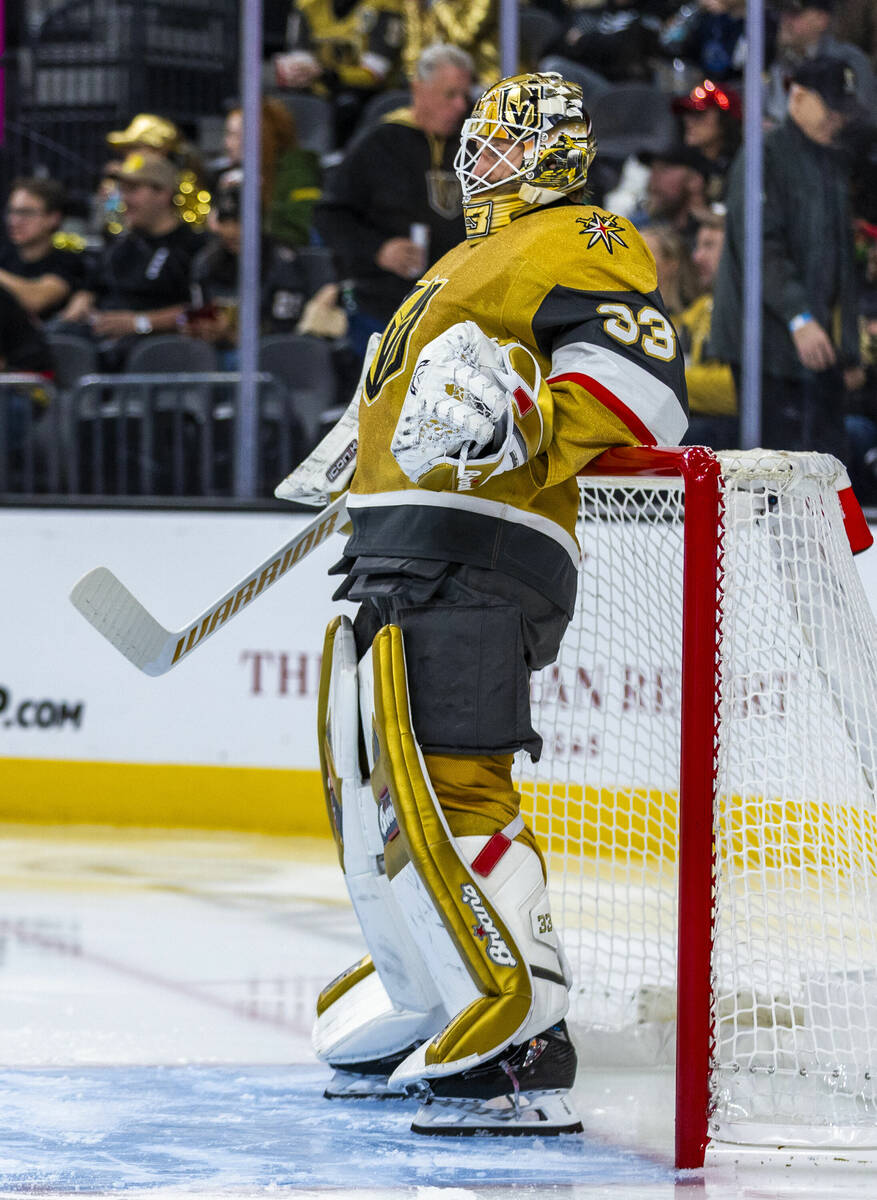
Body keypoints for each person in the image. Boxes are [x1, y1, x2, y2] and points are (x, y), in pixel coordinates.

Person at [308, 71, 688, 1136]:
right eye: (477, 141)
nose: (481, 159)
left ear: (560, 153)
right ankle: (437, 990)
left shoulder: (584, 236)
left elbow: (642, 375)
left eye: (506, 145)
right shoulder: (460, 259)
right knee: (376, 790)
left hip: (481, 549)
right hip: (393, 545)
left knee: (450, 780)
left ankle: (523, 1029)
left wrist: (525, 432)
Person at [711, 56, 865, 458]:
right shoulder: (764, 158)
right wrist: (799, 316)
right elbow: (760, 248)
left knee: (825, 462)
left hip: (813, 342)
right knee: (776, 465)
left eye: (842, 110)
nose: (837, 119)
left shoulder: (831, 161)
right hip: (767, 342)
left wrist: (848, 345)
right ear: (797, 97)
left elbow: (841, 261)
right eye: (830, 107)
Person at [314, 43, 472, 359]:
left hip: (457, 307)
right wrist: (378, 249)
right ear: (418, 89)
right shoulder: (379, 143)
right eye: (449, 94)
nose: (459, 105)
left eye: (464, 96)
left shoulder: (474, 143)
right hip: (385, 306)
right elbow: (330, 215)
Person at [58, 152, 207, 368]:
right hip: (101, 341)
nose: (125, 199)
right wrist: (80, 304)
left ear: (163, 194)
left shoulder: (193, 246)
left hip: (159, 353)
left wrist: (140, 323)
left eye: (134, 190)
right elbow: (90, 288)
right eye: (123, 190)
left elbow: (202, 311)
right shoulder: (118, 246)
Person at [216, 99, 321, 250]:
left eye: (234, 135)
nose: (227, 143)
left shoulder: (299, 172)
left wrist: (258, 197)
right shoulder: (234, 177)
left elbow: (298, 232)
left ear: (261, 137)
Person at [677, 211, 738, 447]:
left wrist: (669, 382)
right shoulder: (700, 308)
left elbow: (737, 389)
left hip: (734, 431)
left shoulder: (751, 313)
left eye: (709, 246)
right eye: (698, 246)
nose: (696, 257)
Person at [764, 0, 877, 125]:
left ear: (821, 20)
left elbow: (862, 119)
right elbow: (775, 113)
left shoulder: (848, 61)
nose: (784, 20)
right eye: (782, 12)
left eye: (794, 14)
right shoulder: (779, 61)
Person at [0, 178, 86, 319]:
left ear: (53, 218)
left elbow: (36, 300)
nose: (14, 221)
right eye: (12, 211)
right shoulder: (4, 256)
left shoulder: (67, 262)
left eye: (25, 213)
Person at [671, 77, 742, 202]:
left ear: (725, 121)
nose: (688, 122)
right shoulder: (686, 165)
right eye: (687, 113)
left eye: (698, 114)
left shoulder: (742, 168)